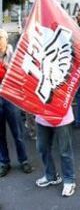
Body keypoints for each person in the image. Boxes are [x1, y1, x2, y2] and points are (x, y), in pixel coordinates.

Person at [0, 29, 33, 177]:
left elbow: (22, 75)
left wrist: (8, 70)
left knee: (17, 132)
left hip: (10, 97)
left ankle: (23, 160)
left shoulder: (13, 55)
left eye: (0, 38)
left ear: (6, 40)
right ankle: (4, 162)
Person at [35, 108, 76, 197]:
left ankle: (69, 180)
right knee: (42, 147)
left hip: (62, 116)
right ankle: (51, 175)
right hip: (42, 116)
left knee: (65, 151)